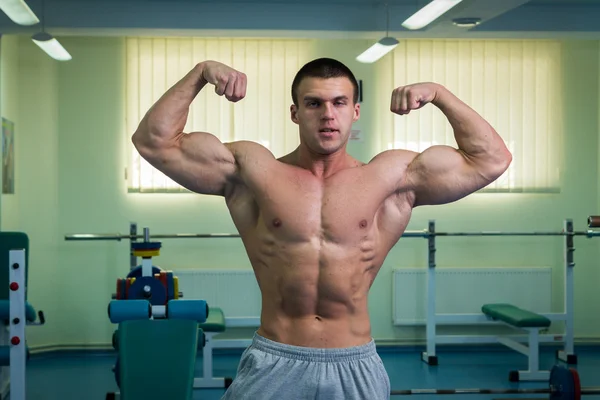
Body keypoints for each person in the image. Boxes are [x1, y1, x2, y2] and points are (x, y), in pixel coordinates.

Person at [132, 57, 512, 399]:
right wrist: (200, 73)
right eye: (314, 103)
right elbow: (154, 142)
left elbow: (491, 160)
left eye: (339, 103)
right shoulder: (255, 172)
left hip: (354, 364)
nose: (327, 114)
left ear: (355, 111)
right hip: (274, 360)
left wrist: (440, 94)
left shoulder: (391, 177)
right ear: (295, 113)